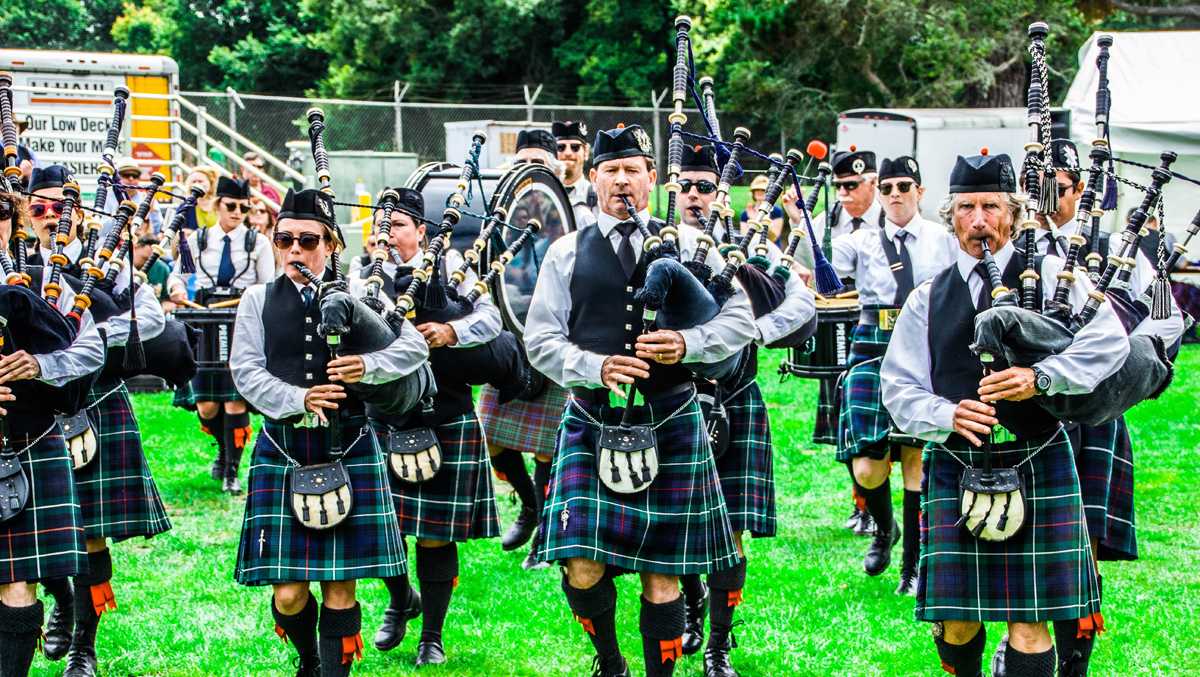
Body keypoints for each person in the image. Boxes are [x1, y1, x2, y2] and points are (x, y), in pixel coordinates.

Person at [880, 151, 1125, 677]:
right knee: (958, 621)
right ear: (951, 214)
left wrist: (1041, 377)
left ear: (1011, 213)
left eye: (990, 206)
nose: (977, 220)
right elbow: (898, 388)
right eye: (965, 207)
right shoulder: (928, 297)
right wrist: (947, 415)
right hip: (958, 461)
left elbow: (1108, 344)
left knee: (1030, 621)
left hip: (1038, 455)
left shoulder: (1054, 278)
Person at [524, 124, 754, 677]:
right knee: (580, 564)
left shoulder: (694, 247)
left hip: (671, 415)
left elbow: (740, 320)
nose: (621, 180)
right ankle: (610, 662)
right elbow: (539, 339)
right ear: (594, 180)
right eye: (610, 170)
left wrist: (687, 343)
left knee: (663, 572)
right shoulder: (565, 252)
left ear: (652, 177)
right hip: (591, 418)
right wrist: (595, 366)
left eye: (632, 170)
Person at [230, 188, 427, 677]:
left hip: (352, 442)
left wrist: (368, 365)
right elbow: (246, 371)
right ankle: (309, 660)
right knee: (290, 593)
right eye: (285, 240)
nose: (295, 250)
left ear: (332, 244)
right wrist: (300, 399)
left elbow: (415, 347)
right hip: (283, 446)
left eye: (308, 240)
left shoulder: (362, 293)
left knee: (341, 585)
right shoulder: (257, 299)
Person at [673, 143, 816, 676]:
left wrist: (754, 330)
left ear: (721, 194)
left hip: (735, 399)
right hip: (676, 400)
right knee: (682, 519)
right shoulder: (653, 242)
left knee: (730, 528)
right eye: (685, 185)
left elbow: (800, 300)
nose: (694, 195)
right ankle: (689, 608)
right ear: (673, 190)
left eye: (705, 186)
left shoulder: (748, 247)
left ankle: (718, 644)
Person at [27, 165, 172, 677]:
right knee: (29, 523)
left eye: (59, 208)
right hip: (29, 414)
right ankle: (62, 598)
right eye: (39, 207)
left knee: (89, 531)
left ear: (79, 213)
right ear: (26, 211)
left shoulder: (106, 265)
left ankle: (83, 647)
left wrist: (86, 331)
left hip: (97, 402)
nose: (50, 217)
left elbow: (151, 320)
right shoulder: (16, 266)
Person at [353, 187, 503, 667]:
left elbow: (492, 319)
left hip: (446, 413)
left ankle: (431, 637)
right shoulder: (361, 277)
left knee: (435, 535)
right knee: (383, 527)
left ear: (421, 230)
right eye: (382, 225)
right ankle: (401, 599)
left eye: (397, 225)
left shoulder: (453, 269)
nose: (388, 234)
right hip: (383, 417)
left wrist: (451, 331)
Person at [831, 157, 956, 594]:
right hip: (871, 342)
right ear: (878, 193)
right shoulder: (862, 240)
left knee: (917, 462)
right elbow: (825, 266)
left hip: (924, 343)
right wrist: (797, 219)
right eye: (887, 188)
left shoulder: (943, 239)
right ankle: (886, 529)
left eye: (905, 186)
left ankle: (914, 567)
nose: (896, 194)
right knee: (867, 466)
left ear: (920, 191)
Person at [176, 175, 275, 493]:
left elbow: (267, 286)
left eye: (243, 208)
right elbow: (180, 276)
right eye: (231, 206)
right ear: (217, 205)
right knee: (206, 405)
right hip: (204, 318)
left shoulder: (257, 242)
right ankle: (223, 450)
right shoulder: (198, 239)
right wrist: (177, 289)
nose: (237, 213)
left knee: (235, 402)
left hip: (240, 319)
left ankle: (232, 470)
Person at [553, 120, 597, 226]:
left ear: (586, 152)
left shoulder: (596, 195)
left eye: (575, 147)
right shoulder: (545, 195)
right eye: (560, 147)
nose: (568, 153)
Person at [133, 235, 188, 312]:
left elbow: (168, 300)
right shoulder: (124, 265)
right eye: (144, 259)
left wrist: (165, 306)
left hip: (152, 314)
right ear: (135, 247)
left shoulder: (162, 269)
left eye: (153, 261)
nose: (147, 264)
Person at [738, 174, 784, 245]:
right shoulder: (745, 213)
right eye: (757, 189)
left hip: (771, 249)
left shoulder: (776, 211)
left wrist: (754, 219)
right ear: (753, 192)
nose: (759, 191)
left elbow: (774, 237)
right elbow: (744, 238)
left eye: (763, 190)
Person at [180, 166, 221, 235]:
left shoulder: (220, 204)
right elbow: (180, 232)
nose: (197, 184)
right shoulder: (186, 206)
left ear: (210, 183)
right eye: (194, 182)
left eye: (200, 181)